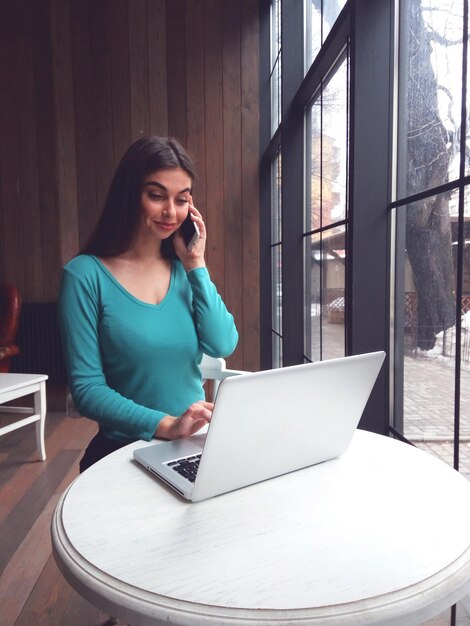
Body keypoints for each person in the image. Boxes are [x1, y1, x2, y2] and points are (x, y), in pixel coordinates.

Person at [58, 136, 238, 472]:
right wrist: (166, 425)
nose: (171, 211)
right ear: (129, 194)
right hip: (123, 451)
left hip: (193, 446)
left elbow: (223, 342)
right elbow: (87, 389)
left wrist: (196, 264)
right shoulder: (84, 275)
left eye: (182, 199)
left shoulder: (185, 271)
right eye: (156, 196)